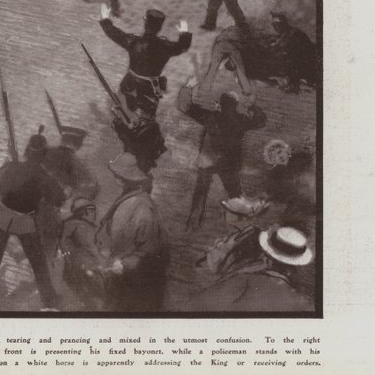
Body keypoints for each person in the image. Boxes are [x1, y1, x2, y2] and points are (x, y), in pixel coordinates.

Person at [176, 55, 269, 227]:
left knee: (201, 192)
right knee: (234, 193)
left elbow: (185, 106)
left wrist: (187, 87)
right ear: (235, 105)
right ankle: (242, 221)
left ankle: (193, 222)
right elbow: (261, 120)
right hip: (229, 163)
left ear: (219, 105)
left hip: (207, 161)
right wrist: (252, 106)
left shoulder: (210, 117)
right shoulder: (241, 121)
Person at [0, 131, 65, 308]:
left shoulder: (12, 166)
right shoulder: (44, 177)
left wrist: (10, 168)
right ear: (44, 156)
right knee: (38, 262)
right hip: (24, 222)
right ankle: (49, 299)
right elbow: (58, 199)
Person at [95, 152, 170, 312]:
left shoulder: (141, 206)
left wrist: (124, 264)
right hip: (123, 272)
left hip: (135, 279)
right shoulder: (129, 199)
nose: (116, 179)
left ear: (123, 179)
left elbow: (149, 249)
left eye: (118, 176)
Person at [186, 225, 314, 312]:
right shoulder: (303, 302)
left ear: (266, 257)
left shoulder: (242, 281)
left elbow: (193, 306)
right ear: (294, 266)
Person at [97, 5, 192, 117]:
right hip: (150, 88)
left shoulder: (133, 41)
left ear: (145, 24)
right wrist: (184, 33)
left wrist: (105, 19)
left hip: (130, 84)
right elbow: (182, 47)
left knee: (122, 113)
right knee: (147, 117)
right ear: (159, 27)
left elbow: (113, 33)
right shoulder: (166, 46)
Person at [58, 197, 104, 309]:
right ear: (84, 211)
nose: (94, 213)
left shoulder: (72, 224)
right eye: (91, 210)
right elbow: (90, 247)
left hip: (79, 268)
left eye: (93, 210)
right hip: (84, 268)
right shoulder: (80, 226)